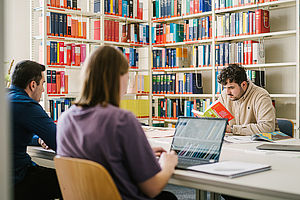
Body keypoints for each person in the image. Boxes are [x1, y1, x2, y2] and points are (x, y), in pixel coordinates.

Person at [57, 46, 178, 200]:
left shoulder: (65, 118)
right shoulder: (122, 120)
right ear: (118, 77)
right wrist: (167, 164)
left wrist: (139, 152)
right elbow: (152, 188)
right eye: (127, 75)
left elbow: (98, 156)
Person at [8, 60, 62, 199]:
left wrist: (38, 140)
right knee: (69, 183)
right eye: (43, 83)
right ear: (33, 85)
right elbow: (60, 141)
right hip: (17, 179)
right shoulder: (26, 105)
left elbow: (13, 135)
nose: (43, 89)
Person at [217, 64, 277, 136]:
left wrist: (233, 129)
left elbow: (267, 127)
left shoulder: (261, 96)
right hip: (234, 143)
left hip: (258, 143)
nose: (227, 92)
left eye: (231, 87)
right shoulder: (224, 95)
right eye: (225, 88)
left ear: (244, 84)